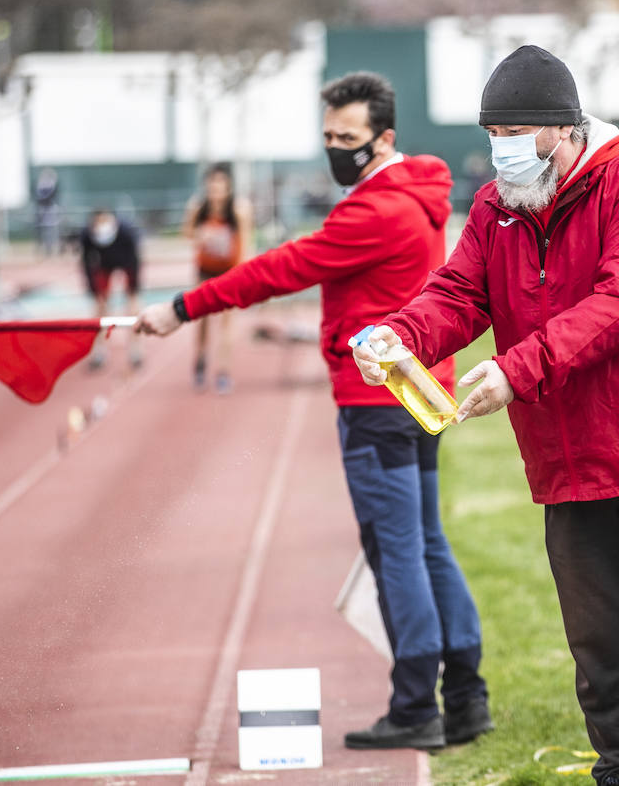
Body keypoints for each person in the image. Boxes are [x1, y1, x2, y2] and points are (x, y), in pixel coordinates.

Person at [352, 45, 619, 786]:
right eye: (493, 137)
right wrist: (402, 334)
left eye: (516, 137)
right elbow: (458, 293)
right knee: (604, 663)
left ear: (566, 131)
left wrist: (517, 371)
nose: (500, 154)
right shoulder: (497, 208)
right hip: (572, 470)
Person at [135, 72, 489, 752]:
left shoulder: (374, 211)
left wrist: (183, 307)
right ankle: (467, 698)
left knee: (398, 553)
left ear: (383, 138)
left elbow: (282, 268)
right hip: (419, 392)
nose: (335, 148)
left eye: (347, 138)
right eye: (327, 136)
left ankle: (418, 706)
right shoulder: (419, 190)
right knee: (427, 542)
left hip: (377, 398)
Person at [182, 162, 253, 394]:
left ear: (229, 186)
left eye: (220, 184)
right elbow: (187, 234)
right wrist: (203, 235)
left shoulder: (238, 210)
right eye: (212, 184)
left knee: (226, 322)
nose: (216, 189)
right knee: (201, 320)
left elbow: (246, 242)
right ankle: (200, 359)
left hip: (229, 272)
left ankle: (223, 371)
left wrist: (243, 276)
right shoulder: (198, 208)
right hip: (205, 271)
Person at [79, 209, 142, 370]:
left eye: (104, 221)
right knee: (99, 308)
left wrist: (133, 287)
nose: (102, 226)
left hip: (126, 262)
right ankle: (99, 351)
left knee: (134, 306)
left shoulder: (126, 233)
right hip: (103, 265)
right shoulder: (87, 235)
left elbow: (135, 261)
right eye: (98, 223)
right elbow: (86, 263)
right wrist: (94, 290)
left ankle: (136, 350)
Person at [34, 168, 61, 258]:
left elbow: (53, 195)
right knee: (42, 229)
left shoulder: (52, 185)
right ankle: (43, 246)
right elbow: (39, 197)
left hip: (50, 209)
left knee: (52, 229)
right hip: (42, 209)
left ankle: (51, 247)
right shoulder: (41, 185)